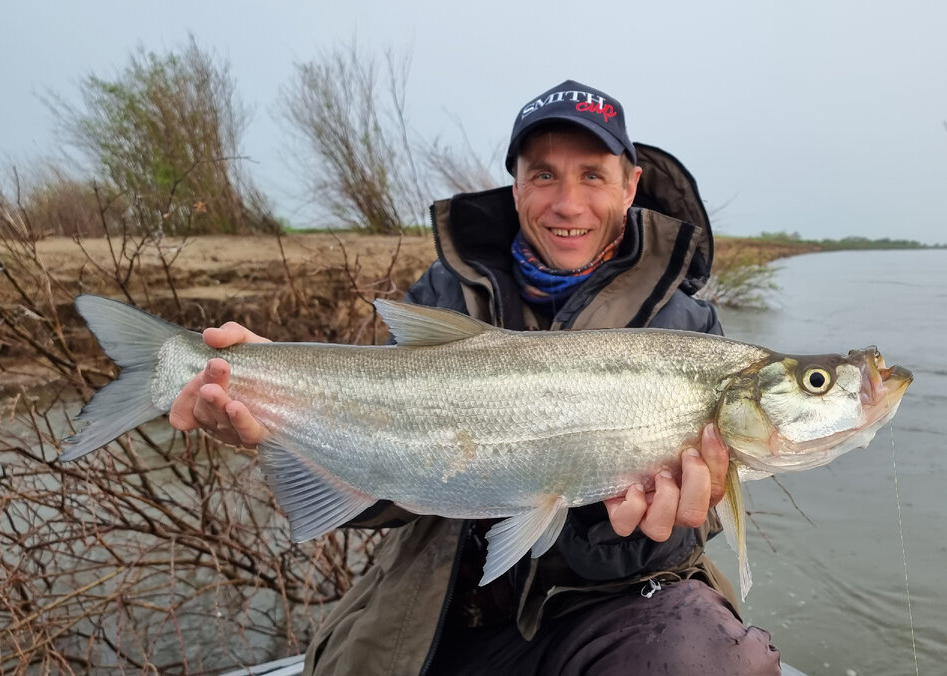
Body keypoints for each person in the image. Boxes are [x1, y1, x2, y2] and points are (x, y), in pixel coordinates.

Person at [169, 79, 783, 676]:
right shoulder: (444, 293)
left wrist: (629, 521)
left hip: (612, 609)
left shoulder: (686, 325)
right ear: (516, 186)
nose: (567, 204)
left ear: (630, 187)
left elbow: (694, 525)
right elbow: (391, 493)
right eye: (543, 174)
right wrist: (271, 415)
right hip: (443, 608)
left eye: (592, 175)